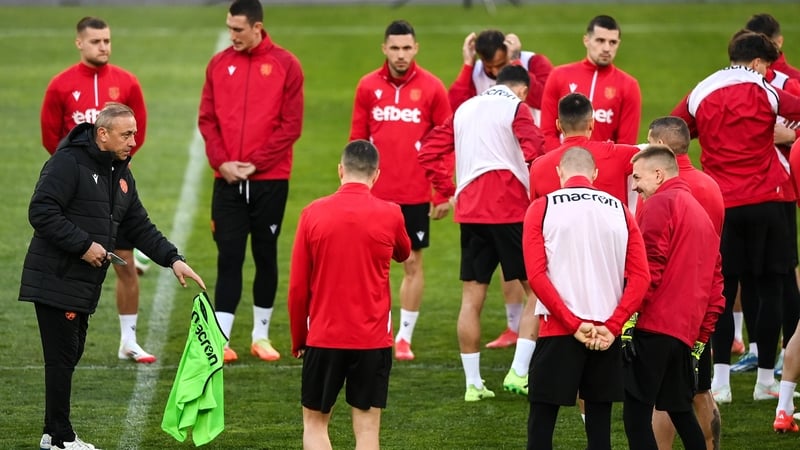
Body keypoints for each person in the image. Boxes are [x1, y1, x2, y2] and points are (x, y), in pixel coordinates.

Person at [21, 103, 206, 450]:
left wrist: (173, 259)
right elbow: (41, 210)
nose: (134, 141)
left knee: (69, 356)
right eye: (127, 134)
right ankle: (60, 438)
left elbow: (138, 225)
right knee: (62, 359)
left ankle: (52, 433)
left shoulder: (119, 173)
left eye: (134, 133)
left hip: (81, 283)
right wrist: (83, 246)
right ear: (102, 134)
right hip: (56, 277)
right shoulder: (67, 162)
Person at [671, 30, 800, 403]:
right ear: (759, 63)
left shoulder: (702, 90)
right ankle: (764, 383)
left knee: (722, 292)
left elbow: (674, 132)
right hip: (769, 200)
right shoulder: (765, 88)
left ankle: (721, 383)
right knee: (771, 287)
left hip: (720, 203)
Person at [418, 65, 544, 401]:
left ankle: (473, 385)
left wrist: (448, 190)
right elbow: (536, 153)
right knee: (540, 292)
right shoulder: (517, 108)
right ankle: (519, 371)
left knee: (471, 299)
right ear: (521, 91)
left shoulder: (465, 108)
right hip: (511, 212)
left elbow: (427, 151)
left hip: (471, 212)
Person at [39, 16, 156, 364]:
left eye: (107, 40)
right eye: (96, 41)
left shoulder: (127, 83)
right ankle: (67, 337)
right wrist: (76, 173)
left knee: (126, 263)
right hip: (75, 195)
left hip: (113, 193)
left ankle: (129, 341)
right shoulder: (60, 86)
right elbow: (51, 138)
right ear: (79, 43)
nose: (103, 46)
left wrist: (116, 165)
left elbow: (139, 131)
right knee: (72, 262)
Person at [198, 0, 304, 363]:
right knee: (228, 256)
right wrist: (222, 162)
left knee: (265, 253)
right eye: (229, 28)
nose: (233, 35)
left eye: (238, 29)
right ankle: (222, 339)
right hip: (226, 178)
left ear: (257, 27)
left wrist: (254, 164)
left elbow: (291, 126)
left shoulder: (286, 65)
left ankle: (261, 335)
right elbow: (207, 119)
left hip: (269, 180)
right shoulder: (218, 64)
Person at [288, 140, 411, 450]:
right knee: (368, 432)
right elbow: (404, 252)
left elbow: (297, 288)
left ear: (340, 170)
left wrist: (299, 338)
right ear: (376, 175)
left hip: (324, 336)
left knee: (315, 425)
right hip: (372, 340)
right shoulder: (391, 213)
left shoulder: (312, 213)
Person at [525, 147, 649, 450]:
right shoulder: (621, 209)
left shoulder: (542, 207)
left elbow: (537, 276)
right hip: (606, 334)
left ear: (559, 173)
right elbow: (641, 277)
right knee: (599, 431)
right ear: (595, 174)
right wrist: (614, 325)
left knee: (541, 426)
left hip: (558, 329)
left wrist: (571, 323)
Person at [349, 19, 452, 361]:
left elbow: (446, 143)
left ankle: (403, 337)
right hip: (372, 196)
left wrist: (441, 191)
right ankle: (372, 328)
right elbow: (357, 141)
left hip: (414, 196)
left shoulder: (434, 88)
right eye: (394, 48)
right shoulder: (367, 87)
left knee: (412, 264)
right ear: (384, 49)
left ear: (416, 48)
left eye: (407, 48)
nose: (401, 55)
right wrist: (352, 186)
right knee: (367, 267)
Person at [448, 28, 552, 349]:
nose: (490, 73)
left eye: (497, 66)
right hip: (511, 188)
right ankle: (518, 351)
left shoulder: (535, 63)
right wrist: (468, 66)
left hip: (489, 192)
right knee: (530, 281)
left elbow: (544, 100)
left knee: (488, 285)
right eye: (485, 66)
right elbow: (454, 109)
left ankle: (478, 375)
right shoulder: (479, 71)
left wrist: (518, 61)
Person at [624, 145, 724, 450]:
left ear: (658, 173)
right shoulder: (700, 215)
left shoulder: (660, 203)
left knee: (636, 415)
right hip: (683, 335)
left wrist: (628, 317)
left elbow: (648, 269)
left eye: (637, 177)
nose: (633, 185)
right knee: (680, 411)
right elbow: (716, 287)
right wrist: (699, 338)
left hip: (654, 328)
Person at [539, 15, 641, 151]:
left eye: (612, 42)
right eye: (600, 40)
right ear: (586, 40)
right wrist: (564, 161)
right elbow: (547, 132)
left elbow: (626, 144)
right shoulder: (559, 75)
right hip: (564, 166)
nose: (606, 48)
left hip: (604, 167)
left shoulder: (629, 86)